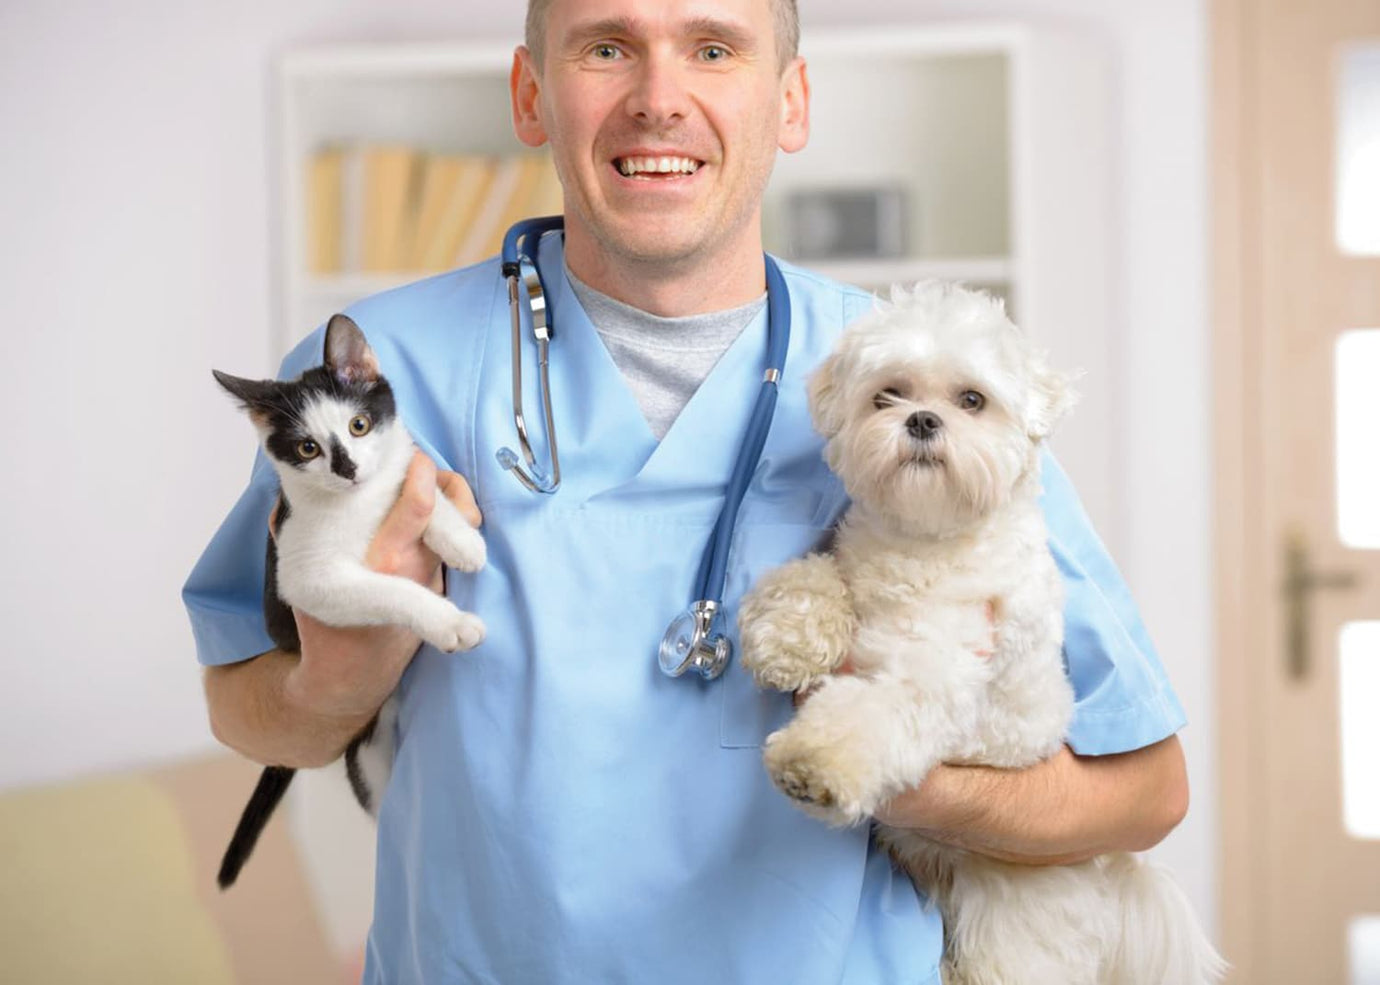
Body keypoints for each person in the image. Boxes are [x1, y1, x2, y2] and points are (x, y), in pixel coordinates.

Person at [184, 1, 1191, 981]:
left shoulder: (913, 383)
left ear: (791, 101)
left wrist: (913, 779)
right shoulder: (387, 376)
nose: (658, 97)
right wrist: (337, 681)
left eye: (714, 48)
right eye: (607, 47)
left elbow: (1145, 791)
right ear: (531, 95)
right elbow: (244, 701)